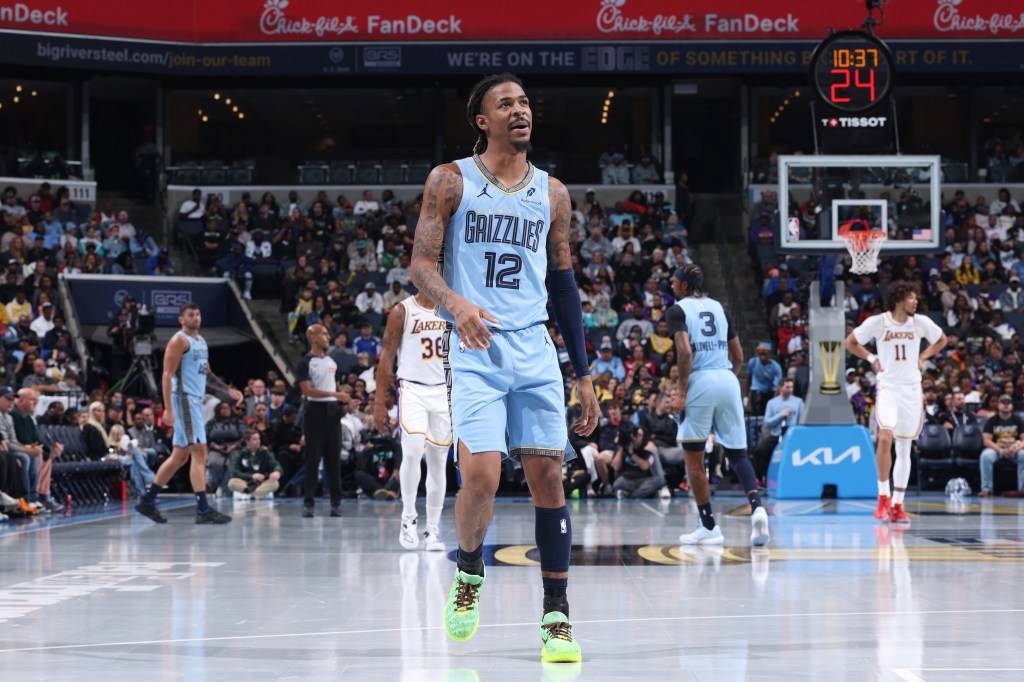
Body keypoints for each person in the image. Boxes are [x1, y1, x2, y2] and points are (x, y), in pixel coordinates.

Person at [410, 73, 598, 662]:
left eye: (524, 103)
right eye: (505, 104)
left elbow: (564, 285)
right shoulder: (450, 181)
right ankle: (469, 571)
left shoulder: (554, 193)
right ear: (482, 121)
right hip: (475, 349)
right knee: (483, 479)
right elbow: (420, 265)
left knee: (549, 479)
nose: (520, 111)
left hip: (535, 350)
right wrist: (457, 303)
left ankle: (557, 619)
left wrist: (584, 374)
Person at [667, 264, 770, 547]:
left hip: (700, 381)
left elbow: (685, 351)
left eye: (674, 282)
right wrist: (725, 379)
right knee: (738, 454)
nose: (672, 286)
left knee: (694, 458)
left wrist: (682, 392)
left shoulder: (678, 310)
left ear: (685, 286)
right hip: (727, 378)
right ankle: (757, 507)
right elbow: (738, 354)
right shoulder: (719, 308)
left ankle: (709, 526)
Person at [845, 281, 947, 525]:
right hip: (888, 388)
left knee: (904, 448)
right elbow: (850, 341)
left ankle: (898, 505)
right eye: (912, 298)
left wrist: (923, 355)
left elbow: (942, 339)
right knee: (884, 436)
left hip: (912, 390)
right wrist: (871, 358)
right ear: (899, 299)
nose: (916, 302)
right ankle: (883, 496)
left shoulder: (919, 322)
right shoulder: (879, 322)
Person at [134, 302, 242, 524]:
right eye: (191, 315)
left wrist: (227, 390)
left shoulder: (200, 341)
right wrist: (167, 409)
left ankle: (147, 501)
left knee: (179, 457)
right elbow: (166, 375)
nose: (196, 317)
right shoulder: (178, 341)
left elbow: (208, 373)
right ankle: (203, 510)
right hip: (184, 399)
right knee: (200, 453)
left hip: (194, 399)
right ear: (181, 319)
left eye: (198, 313)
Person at [374, 291, 453, 551]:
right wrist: (379, 402)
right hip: (413, 389)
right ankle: (408, 518)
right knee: (412, 450)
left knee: (438, 460)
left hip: (444, 390)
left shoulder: (452, 306)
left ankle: (432, 529)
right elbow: (386, 356)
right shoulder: (402, 311)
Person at [295, 323, 349, 517]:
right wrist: (336, 394)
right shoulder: (305, 362)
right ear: (313, 337)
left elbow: (337, 387)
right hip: (314, 411)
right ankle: (308, 502)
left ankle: (336, 502)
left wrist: (347, 400)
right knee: (313, 458)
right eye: (324, 334)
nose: (328, 337)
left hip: (333, 411)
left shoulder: (331, 362)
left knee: (333, 459)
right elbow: (307, 390)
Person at [751, 378, 804, 480]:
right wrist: (780, 415)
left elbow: (801, 421)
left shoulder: (799, 402)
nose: (790, 390)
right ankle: (760, 478)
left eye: (792, 387)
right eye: (787, 387)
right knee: (759, 450)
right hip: (776, 435)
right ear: (780, 388)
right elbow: (767, 422)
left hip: (792, 436)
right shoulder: (772, 403)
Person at [978, 395, 1024, 497]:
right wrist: (1001, 450)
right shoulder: (992, 420)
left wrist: (1017, 448)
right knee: (985, 456)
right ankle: (986, 489)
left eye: (1008, 403)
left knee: (1023, 455)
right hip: (996, 450)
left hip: (1014, 450)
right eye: (1003, 403)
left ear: (1012, 406)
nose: (1006, 405)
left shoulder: (1018, 420)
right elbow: (986, 441)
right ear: (998, 405)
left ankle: (1022, 490)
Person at [227, 430, 283, 500]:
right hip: (246, 482)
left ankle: (249, 494)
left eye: (259, 439)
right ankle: (257, 494)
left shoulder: (265, 453)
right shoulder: (239, 454)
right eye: (254, 439)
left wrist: (277, 472)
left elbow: (276, 465)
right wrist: (251, 476)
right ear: (247, 441)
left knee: (275, 483)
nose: (258, 441)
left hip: (262, 482)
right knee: (231, 482)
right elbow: (234, 472)